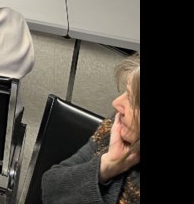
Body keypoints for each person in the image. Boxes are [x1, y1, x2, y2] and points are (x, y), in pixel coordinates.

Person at [41, 54, 140, 203]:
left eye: (132, 100)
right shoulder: (117, 127)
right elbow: (51, 186)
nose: (116, 103)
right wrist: (107, 166)